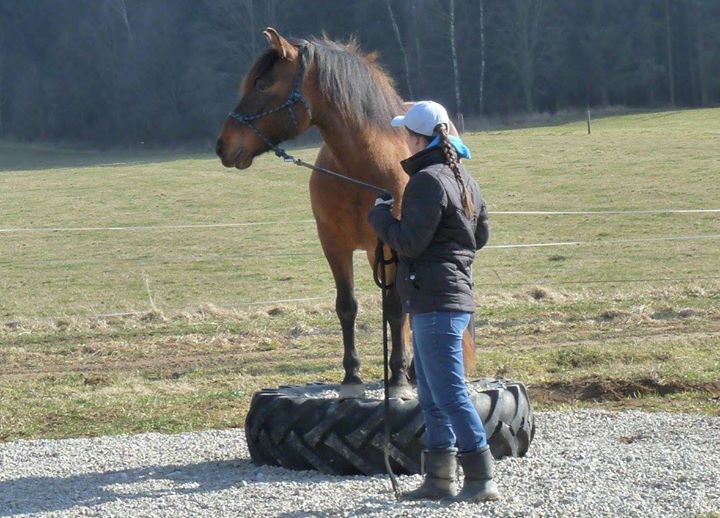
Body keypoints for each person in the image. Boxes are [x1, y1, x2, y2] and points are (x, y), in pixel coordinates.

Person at [368, 101, 497, 503]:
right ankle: (439, 478)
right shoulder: (464, 179)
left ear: (417, 137)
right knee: (430, 390)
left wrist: (381, 219)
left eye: (406, 131)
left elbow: (409, 242)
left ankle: (480, 477)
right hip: (448, 297)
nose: (403, 137)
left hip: (435, 301)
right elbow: (480, 237)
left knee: (449, 392)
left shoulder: (426, 181)